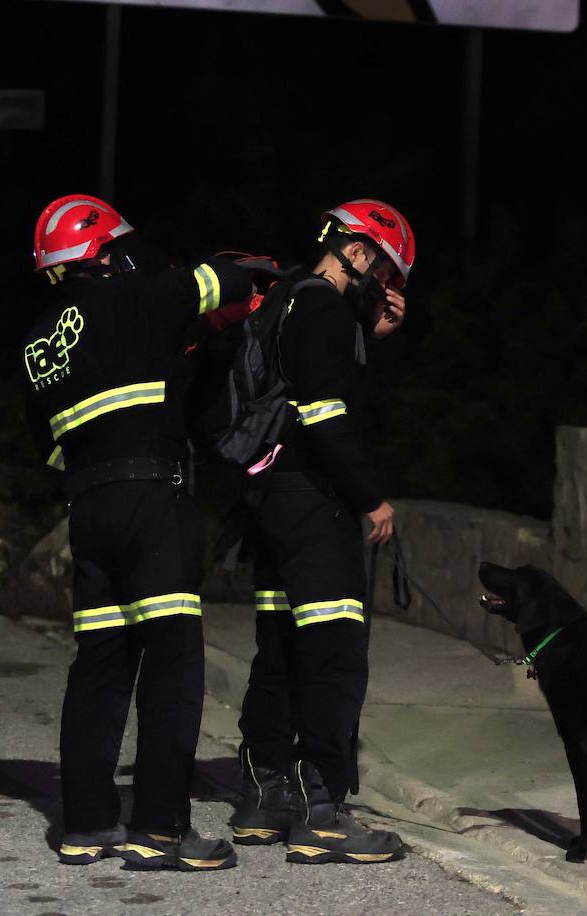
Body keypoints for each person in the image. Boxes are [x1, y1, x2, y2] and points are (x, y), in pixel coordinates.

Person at [21, 193, 256, 872]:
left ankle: (86, 824)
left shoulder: (39, 346)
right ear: (103, 253)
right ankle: (159, 829)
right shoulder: (140, 297)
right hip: (154, 499)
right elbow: (229, 278)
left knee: (98, 666)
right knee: (173, 660)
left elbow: (49, 446)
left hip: (88, 508)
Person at [228, 199, 415, 864]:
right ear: (358, 252)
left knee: (280, 649)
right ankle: (326, 812)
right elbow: (330, 417)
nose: (387, 288)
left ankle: (264, 797)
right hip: (314, 502)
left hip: (269, 500)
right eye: (386, 271)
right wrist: (371, 499)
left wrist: (377, 338)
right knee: (334, 653)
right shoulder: (328, 308)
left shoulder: (282, 300)